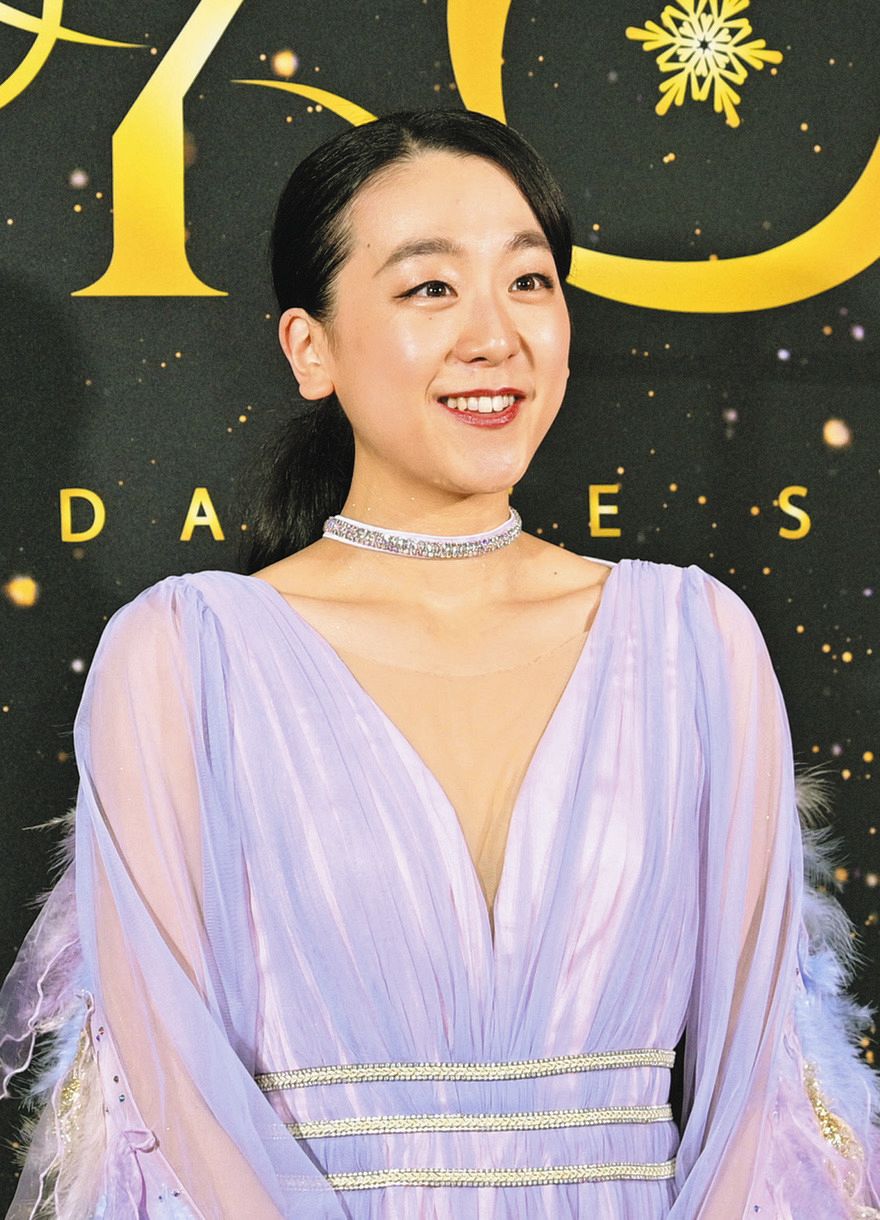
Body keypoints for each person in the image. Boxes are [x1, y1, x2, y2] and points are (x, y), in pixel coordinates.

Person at [1, 108, 879, 1219]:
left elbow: (762, 1088)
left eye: (529, 281)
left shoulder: (697, 641)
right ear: (309, 348)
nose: (495, 335)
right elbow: (166, 1092)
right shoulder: (183, 657)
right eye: (429, 288)